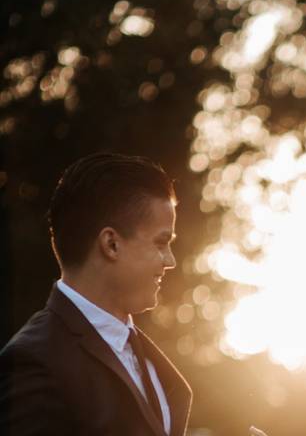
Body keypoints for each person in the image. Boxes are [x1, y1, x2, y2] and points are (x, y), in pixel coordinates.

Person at [0, 152, 192, 435]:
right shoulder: (33, 364)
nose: (170, 261)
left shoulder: (145, 353)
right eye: (161, 243)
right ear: (111, 244)